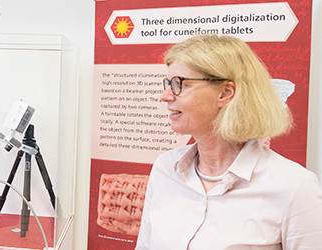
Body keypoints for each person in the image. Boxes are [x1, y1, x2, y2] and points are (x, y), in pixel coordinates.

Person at [135, 35, 322, 249]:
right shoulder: (166, 168)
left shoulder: (294, 187)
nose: (165, 96)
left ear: (226, 93)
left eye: (179, 84)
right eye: (168, 84)